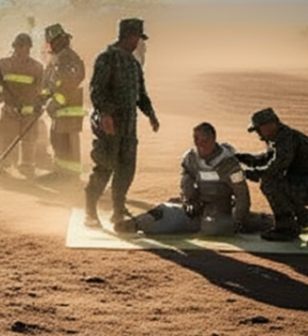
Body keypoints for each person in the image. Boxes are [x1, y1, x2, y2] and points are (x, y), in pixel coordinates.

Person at [84, 18, 160, 228]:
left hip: (129, 127)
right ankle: (90, 211)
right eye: (136, 38)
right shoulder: (107, 58)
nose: (138, 42)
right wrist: (106, 114)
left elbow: (141, 94)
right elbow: (96, 90)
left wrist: (151, 114)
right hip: (109, 126)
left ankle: (118, 210)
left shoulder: (133, 64)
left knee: (126, 169)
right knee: (104, 166)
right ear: (127, 36)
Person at [115, 122, 251, 235]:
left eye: (204, 140)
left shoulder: (228, 162)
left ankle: (254, 221)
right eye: (196, 140)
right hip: (196, 204)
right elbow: (186, 181)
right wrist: (189, 200)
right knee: (162, 213)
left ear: (213, 139)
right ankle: (136, 224)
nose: (200, 145)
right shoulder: (191, 158)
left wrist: (238, 219)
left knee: (211, 228)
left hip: (220, 207)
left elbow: (242, 194)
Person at [235, 108, 308, 241]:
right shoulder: (280, 137)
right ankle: (302, 217)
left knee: (270, 183)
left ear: (269, 125)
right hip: (302, 181)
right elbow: (266, 158)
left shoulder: (285, 139)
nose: (258, 133)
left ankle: (287, 228)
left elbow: (275, 167)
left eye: (258, 129)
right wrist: (241, 158)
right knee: (280, 182)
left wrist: (250, 173)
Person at [0, 33, 44, 178]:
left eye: (26, 48)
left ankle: (26, 166)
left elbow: (42, 90)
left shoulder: (33, 67)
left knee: (27, 140)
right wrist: (2, 97)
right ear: (16, 47)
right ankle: (1, 165)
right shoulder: (6, 64)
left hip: (26, 111)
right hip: (12, 109)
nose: (23, 50)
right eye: (21, 47)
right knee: (5, 138)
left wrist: (38, 105)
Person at [41, 23, 85, 180]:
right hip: (58, 110)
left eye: (53, 41)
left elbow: (72, 81)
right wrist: (43, 99)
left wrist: (56, 100)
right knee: (57, 140)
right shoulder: (56, 58)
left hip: (69, 108)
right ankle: (60, 173)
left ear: (61, 40)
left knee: (69, 143)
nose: (51, 45)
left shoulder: (68, 57)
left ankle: (71, 176)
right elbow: (48, 83)